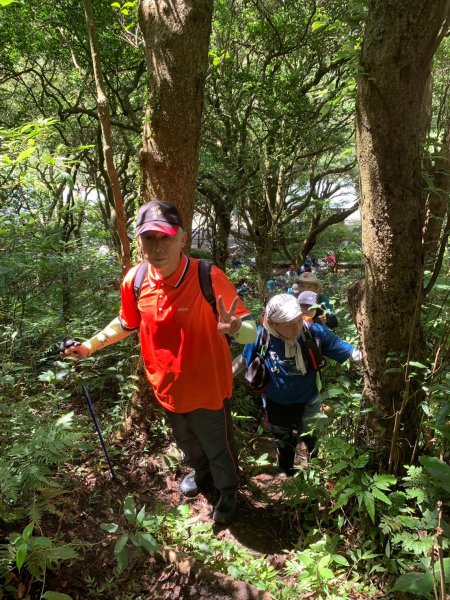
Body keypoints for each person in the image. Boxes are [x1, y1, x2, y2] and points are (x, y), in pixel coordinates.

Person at [64, 200, 257, 525]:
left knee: (219, 446)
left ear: (182, 237)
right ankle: (200, 472)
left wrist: (237, 327)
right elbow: (126, 323)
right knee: (186, 442)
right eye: (149, 238)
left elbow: (251, 332)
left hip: (209, 390)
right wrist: (88, 346)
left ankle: (227, 490)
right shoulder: (135, 280)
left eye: (165, 236)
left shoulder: (208, 277)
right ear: (139, 241)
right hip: (167, 391)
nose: (157, 246)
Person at [233, 294, 360, 476]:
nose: (296, 328)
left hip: (310, 401)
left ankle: (318, 475)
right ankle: (287, 475)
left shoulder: (314, 332)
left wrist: (368, 357)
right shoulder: (261, 336)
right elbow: (243, 360)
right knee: (284, 443)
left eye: (298, 321)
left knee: (314, 441)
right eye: (289, 325)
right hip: (276, 406)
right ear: (273, 324)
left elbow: (347, 351)